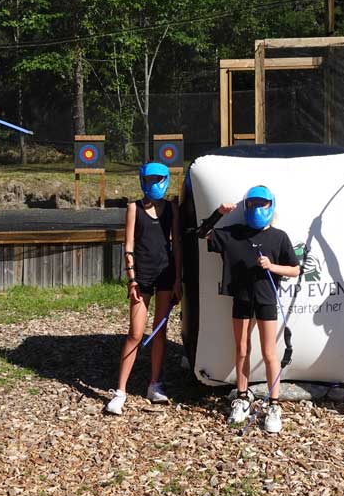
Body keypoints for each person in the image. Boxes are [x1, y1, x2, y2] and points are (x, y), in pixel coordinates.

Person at [199, 186, 299, 433]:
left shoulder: (279, 237)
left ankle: (274, 405)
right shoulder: (233, 234)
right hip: (242, 298)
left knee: (269, 353)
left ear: (271, 206)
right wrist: (218, 213)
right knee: (242, 349)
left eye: (262, 204)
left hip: (266, 299)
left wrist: (272, 267)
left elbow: (295, 269)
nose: (257, 208)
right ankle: (242, 398)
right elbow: (202, 233)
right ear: (246, 206)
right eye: (252, 204)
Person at [106, 163, 182, 415]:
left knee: (160, 330)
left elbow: (177, 246)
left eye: (158, 178)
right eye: (149, 178)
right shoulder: (133, 208)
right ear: (142, 180)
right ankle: (120, 391)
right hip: (142, 276)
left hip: (165, 274)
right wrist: (132, 279)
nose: (154, 183)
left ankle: (154, 384)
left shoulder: (171, 208)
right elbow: (128, 245)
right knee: (135, 333)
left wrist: (177, 280)